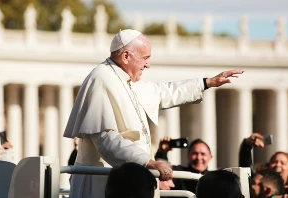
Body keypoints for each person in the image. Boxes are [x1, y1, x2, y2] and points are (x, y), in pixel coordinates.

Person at [63, 29, 244, 198]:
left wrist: (207, 82)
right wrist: (148, 162)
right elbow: (106, 138)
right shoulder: (102, 78)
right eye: (145, 58)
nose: (148, 65)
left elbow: (164, 92)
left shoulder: (125, 80)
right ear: (126, 56)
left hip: (125, 181)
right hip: (102, 183)